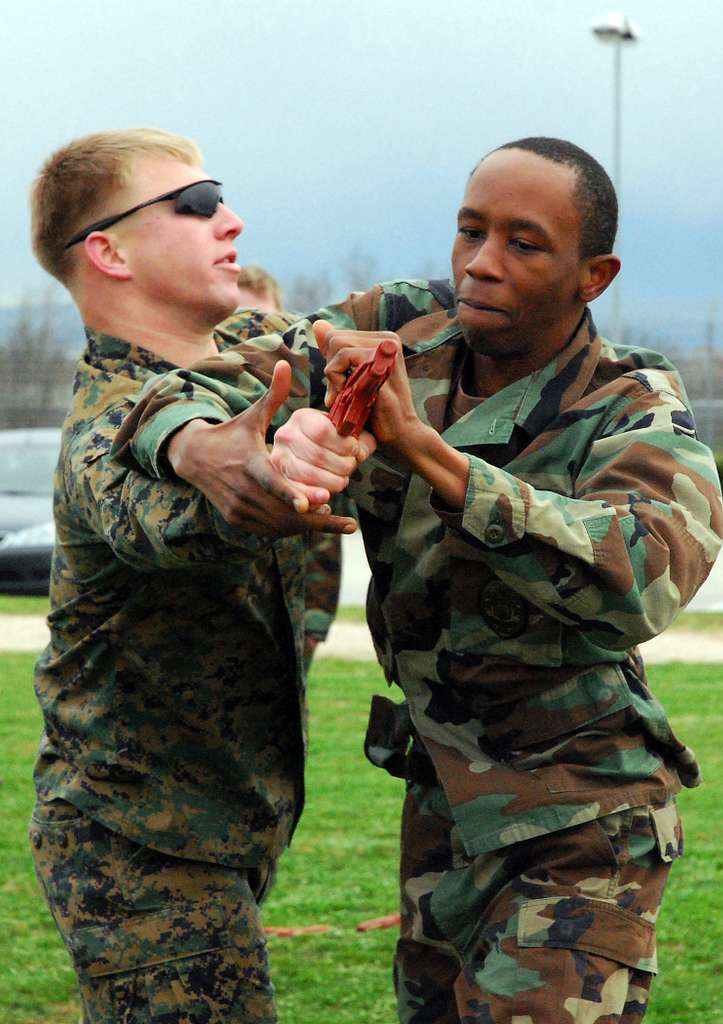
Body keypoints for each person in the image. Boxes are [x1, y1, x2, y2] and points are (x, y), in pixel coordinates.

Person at [114, 138, 723, 1023]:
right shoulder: (397, 327)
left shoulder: (630, 406)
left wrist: (431, 456)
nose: (480, 264)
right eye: (469, 231)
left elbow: (641, 577)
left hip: (581, 825)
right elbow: (203, 369)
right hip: (445, 809)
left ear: (593, 276)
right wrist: (219, 445)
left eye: (524, 243)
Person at [27, 127, 361, 1024]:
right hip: (133, 841)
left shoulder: (249, 349)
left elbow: (374, 324)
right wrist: (253, 482)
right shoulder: (99, 433)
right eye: (199, 203)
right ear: (108, 250)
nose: (232, 221)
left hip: (215, 826)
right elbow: (175, 516)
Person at [235, 263, 347, 672]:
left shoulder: (314, 409)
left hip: (291, 607)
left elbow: (328, 524)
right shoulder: (213, 407)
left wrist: (316, 620)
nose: (249, 333)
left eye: (262, 322)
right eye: (239, 321)